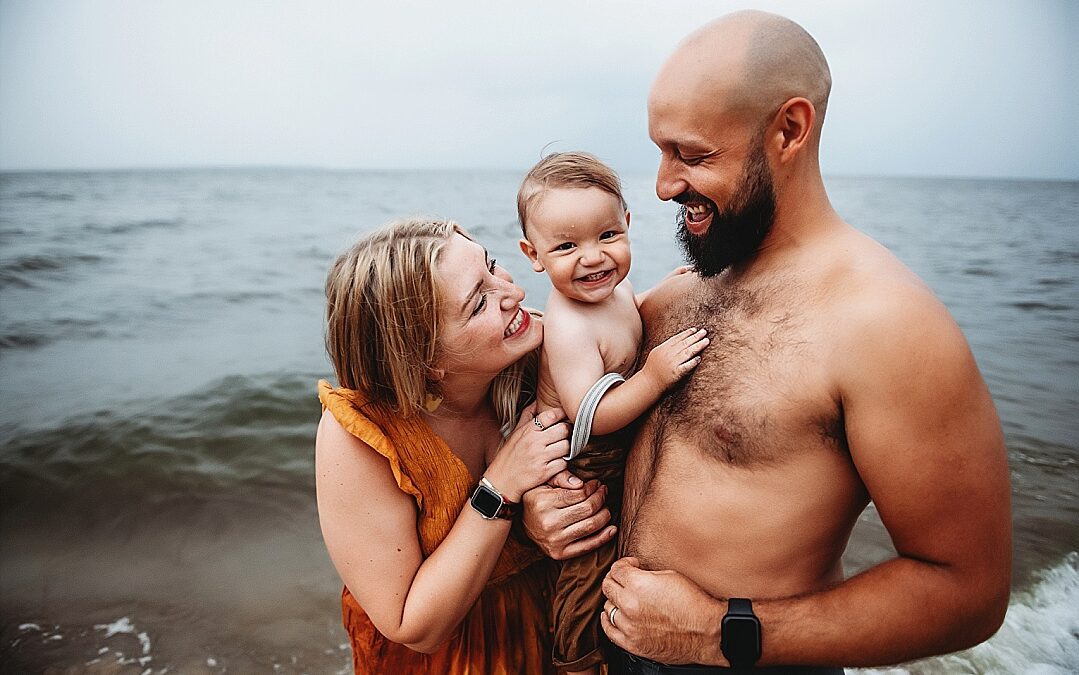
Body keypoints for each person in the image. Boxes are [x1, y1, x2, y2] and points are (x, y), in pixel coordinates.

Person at [522, 10, 1012, 673]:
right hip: (605, 648)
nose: (664, 184)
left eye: (692, 155)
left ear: (789, 128)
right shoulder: (672, 294)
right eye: (660, 150)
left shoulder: (885, 326)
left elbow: (968, 591)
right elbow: (581, 420)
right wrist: (540, 507)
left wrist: (717, 632)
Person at [315, 217, 574, 674]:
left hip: (546, 628)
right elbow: (412, 625)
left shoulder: (543, 354)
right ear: (425, 359)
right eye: (479, 303)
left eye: (493, 266)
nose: (512, 294)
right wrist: (502, 486)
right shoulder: (359, 435)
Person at [516, 151, 710, 673]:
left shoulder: (612, 286)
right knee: (589, 563)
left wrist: (664, 289)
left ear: (627, 224)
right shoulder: (568, 324)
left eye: (606, 236)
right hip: (585, 463)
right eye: (565, 246)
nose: (592, 258)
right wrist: (653, 375)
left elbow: (625, 312)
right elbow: (591, 413)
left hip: (616, 445)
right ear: (533, 254)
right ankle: (578, 659)